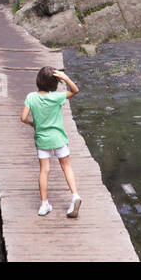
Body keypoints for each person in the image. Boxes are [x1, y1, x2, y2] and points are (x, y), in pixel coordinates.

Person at [21, 66, 81, 218]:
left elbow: (23, 118)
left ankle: (44, 204)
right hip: (59, 137)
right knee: (66, 165)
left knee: (44, 170)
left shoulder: (31, 97)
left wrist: (33, 123)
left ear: (38, 81)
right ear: (55, 83)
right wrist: (65, 78)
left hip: (42, 138)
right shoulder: (57, 97)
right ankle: (75, 196)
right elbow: (75, 91)